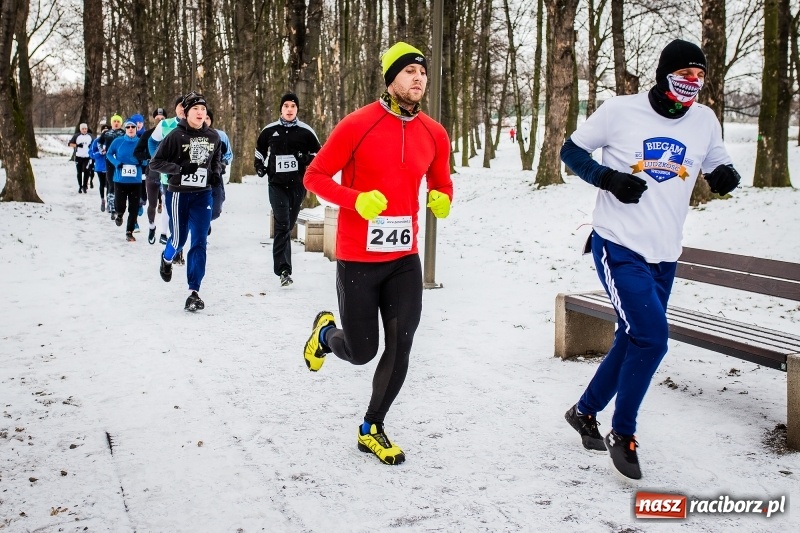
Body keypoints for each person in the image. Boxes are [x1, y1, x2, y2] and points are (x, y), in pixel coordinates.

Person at [559, 39, 741, 480]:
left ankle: (584, 412)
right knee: (653, 337)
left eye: (699, 77)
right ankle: (623, 432)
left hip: (665, 254)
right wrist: (609, 179)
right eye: (683, 75)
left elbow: (719, 164)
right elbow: (570, 151)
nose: (691, 85)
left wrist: (726, 177)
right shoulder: (620, 111)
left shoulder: (704, 120)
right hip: (618, 245)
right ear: (663, 76)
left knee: (632, 336)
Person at [302, 42, 453, 465]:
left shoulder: (434, 133)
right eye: (409, 72)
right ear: (390, 79)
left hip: (404, 258)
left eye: (422, 72)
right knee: (362, 350)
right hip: (358, 259)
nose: (418, 78)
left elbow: (442, 182)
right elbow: (314, 177)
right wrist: (354, 200)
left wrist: (442, 197)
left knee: (401, 343)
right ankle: (326, 336)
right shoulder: (357, 125)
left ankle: (372, 426)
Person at [149, 92, 223, 312]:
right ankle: (167, 258)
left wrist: (216, 172)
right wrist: (179, 169)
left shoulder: (213, 136)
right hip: (179, 194)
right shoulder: (175, 136)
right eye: (195, 109)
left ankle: (194, 292)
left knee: (199, 241)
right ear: (187, 112)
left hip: (203, 195)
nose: (200, 113)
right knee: (179, 239)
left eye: (203, 109)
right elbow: (156, 163)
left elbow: (216, 159)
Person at [254, 92, 321, 286]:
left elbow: (319, 154)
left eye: (293, 106)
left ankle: (284, 268)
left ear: (297, 109)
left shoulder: (306, 131)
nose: (289, 109)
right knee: (282, 223)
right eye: (286, 106)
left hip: (297, 185)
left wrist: (304, 158)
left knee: (288, 225)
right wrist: (260, 167)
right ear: (281, 109)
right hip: (276, 184)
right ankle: (283, 269)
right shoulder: (270, 130)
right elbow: (259, 151)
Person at [150, 95, 186, 248]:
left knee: (184, 208)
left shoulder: (196, 125)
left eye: (186, 106)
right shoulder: (165, 124)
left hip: (189, 175)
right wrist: (156, 159)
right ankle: (170, 236)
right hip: (168, 175)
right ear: (176, 108)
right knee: (170, 206)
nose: (183, 109)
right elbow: (152, 141)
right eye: (180, 106)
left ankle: (177, 237)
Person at [107, 119, 144, 242]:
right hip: (120, 180)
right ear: (125, 129)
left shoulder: (140, 142)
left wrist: (141, 162)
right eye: (128, 127)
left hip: (135, 181)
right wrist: (117, 163)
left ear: (136, 129)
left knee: (133, 208)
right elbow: (109, 154)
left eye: (133, 127)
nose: (131, 129)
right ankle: (119, 214)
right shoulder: (118, 141)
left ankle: (129, 232)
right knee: (120, 205)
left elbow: (147, 157)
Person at [135, 107, 167, 244]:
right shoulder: (147, 134)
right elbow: (137, 152)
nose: (160, 121)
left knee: (166, 204)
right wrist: (148, 158)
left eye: (162, 119)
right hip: (152, 174)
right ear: (154, 120)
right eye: (158, 119)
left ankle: (165, 233)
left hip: (167, 174)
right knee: (152, 204)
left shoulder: (171, 133)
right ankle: (151, 226)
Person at [205, 108, 232, 232]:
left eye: (207, 118)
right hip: (199, 177)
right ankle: (203, 222)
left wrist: (223, 163)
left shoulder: (220, 135)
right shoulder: (191, 135)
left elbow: (228, 155)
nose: (204, 121)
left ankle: (207, 219)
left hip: (216, 176)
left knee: (216, 209)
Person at [99, 114, 126, 221]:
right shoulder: (106, 133)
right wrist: (102, 150)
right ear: (111, 123)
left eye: (118, 122)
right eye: (114, 121)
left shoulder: (123, 133)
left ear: (121, 123)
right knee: (110, 182)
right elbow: (99, 142)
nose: (116, 123)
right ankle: (111, 207)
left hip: (120, 161)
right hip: (109, 160)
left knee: (119, 182)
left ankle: (119, 203)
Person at [89, 124, 111, 211]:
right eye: (104, 131)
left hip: (110, 166)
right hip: (100, 167)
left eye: (107, 131)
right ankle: (103, 200)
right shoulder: (97, 141)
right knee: (102, 184)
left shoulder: (112, 140)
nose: (105, 133)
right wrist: (99, 153)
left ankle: (110, 201)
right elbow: (91, 153)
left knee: (110, 185)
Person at [68, 123, 93, 193]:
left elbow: (95, 144)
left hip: (87, 157)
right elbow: (69, 144)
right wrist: (77, 145)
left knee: (86, 171)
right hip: (78, 156)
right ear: (80, 129)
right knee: (79, 172)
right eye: (83, 129)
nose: (84, 130)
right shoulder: (77, 136)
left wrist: (91, 146)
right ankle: (80, 186)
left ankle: (85, 186)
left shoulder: (90, 136)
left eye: (85, 129)